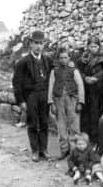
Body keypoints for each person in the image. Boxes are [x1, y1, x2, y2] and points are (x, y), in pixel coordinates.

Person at [12, 31, 54, 162]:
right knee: (33, 123)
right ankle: (35, 150)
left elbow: (52, 78)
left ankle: (44, 150)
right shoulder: (23, 62)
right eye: (36, 43)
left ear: (44, 44)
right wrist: (21, 101)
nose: (38, 46)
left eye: (41, 43)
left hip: (44, 94)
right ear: (30, 44)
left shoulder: (47, 60)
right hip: (31, 95)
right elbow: (16, 83)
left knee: (44, 122)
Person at [48, 48, 85, 160]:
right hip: (58, 100)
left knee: (74, 126)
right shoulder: (54, 71)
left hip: (72, 99)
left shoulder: (74, 71)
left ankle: (75, 151)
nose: (63, 60)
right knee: (61, 126)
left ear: (69, 58)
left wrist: (80, 102)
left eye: (65, 57)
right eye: (61, 58)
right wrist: (51, 103)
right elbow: (51, 86)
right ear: (58, 59)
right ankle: (64, 150)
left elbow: (80, 86)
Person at [77, 37, 103, 146]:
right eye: (91, 46)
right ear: (88, 46)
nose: (93, 49)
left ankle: (96, 140)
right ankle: (85, 139)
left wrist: (96, 78)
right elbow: (78, 71)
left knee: (96, 115)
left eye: (95, 46)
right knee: (86, 115)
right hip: (86, 90)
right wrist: (85, 78)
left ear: (99, 47)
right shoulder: (84, 58)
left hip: (98, 91)